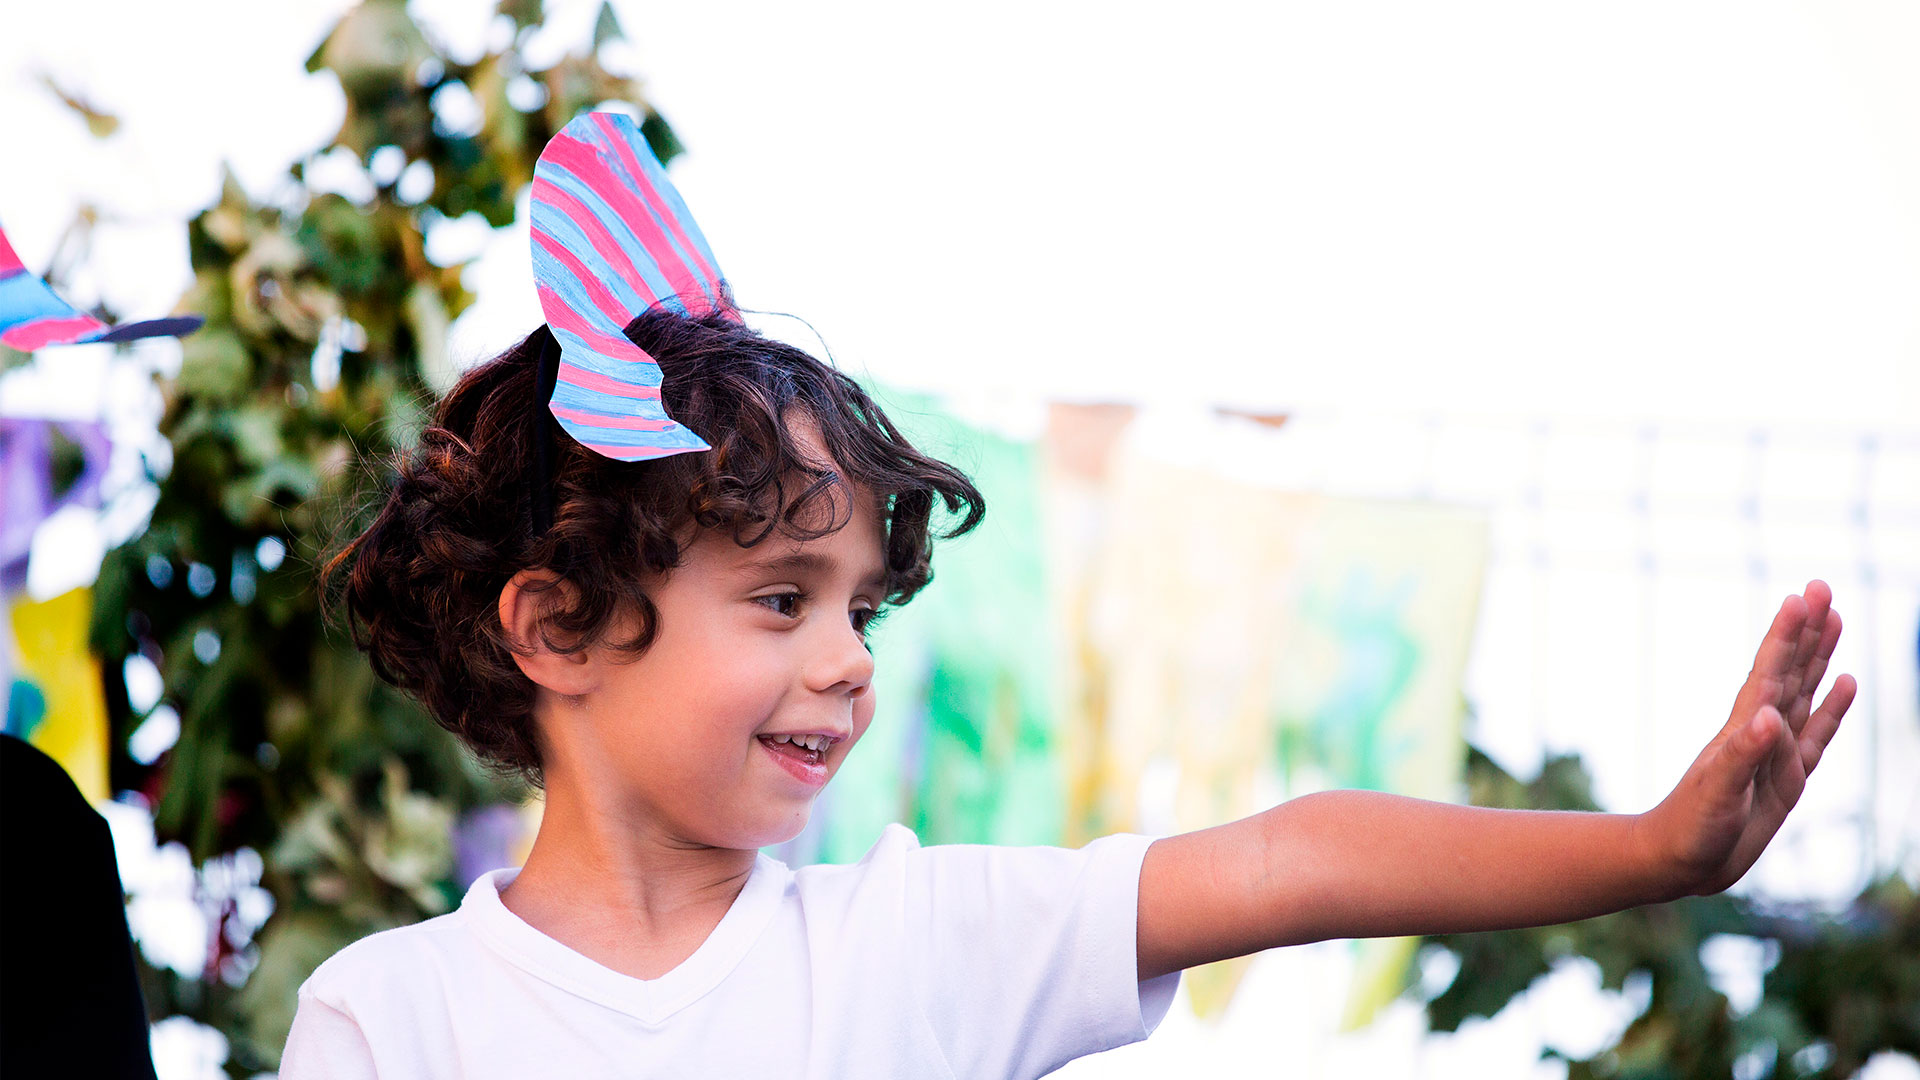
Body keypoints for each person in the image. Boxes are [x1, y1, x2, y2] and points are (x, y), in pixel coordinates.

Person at [278, 113, 1855, 1078]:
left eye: (861, 608)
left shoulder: (917, 945)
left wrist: (1658, 847)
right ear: (556, 627)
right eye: (780, 600)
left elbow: (1296, 861)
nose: (845, 661)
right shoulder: (388, 1025)